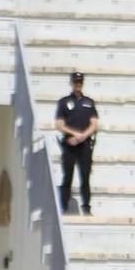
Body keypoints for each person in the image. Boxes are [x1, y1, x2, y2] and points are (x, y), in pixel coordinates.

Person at [54, 70, 99, 214]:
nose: (78, 84)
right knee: (68, 176)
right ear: (72, 83)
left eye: (80, 82)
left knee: (85, 177)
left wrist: (82, 136)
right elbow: (59, 124)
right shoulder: (64, 102)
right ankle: (64, 206)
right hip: (70, 144)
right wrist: (74, 134)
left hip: (84, 145)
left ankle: (86, 207)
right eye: (75, 82)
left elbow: (94, 124)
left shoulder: (89, 102)